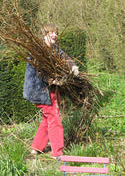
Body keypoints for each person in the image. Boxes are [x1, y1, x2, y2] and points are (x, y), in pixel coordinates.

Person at [23, 24, 79, 159]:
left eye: (56, 33)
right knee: (54, 118)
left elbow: (64, 56)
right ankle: (58, 153)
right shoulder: (37, 51)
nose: (55, 35)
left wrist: (73, 66)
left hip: (49, 89)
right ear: (44, 35)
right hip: (40, 90)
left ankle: (36, 148)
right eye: (52, 33)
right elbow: (40, 73)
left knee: (47, 118)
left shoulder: (53, 48)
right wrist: (53, 81)